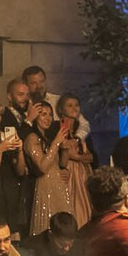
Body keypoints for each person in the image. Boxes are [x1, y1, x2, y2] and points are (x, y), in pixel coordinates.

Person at [21, 101, 72, 238]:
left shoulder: (47, 138)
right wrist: (56, 142)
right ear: (35, 116)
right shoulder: (32, 138)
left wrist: (64, 148)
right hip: (44, 187)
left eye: (50, 114)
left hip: (57, 186)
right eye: (43, 114)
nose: (48, 118)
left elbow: (61, 164)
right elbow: (42, 166)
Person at [52, 96, 96, 229]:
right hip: (66, 175)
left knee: (84, 209)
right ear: (61, 109)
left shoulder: (81, 130)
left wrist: (77, 157)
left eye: (76, 105)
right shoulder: (55, 128)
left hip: (82, 176)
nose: (74, 108)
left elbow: (91, 157)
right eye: (69, 105)